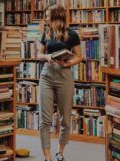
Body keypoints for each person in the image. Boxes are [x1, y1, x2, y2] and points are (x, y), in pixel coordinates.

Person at [37, 4, 82, 161]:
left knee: (65, 119)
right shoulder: (46, 33)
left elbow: (79, 57)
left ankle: (60, 152)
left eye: (49, 15)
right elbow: (39, 54)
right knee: (45, 119)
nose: (46, 18)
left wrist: (66, 63)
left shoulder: (72, 34)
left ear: (58, 16)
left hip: (64, 76)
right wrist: (46, 57)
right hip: (47, 76)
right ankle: (47, 157)